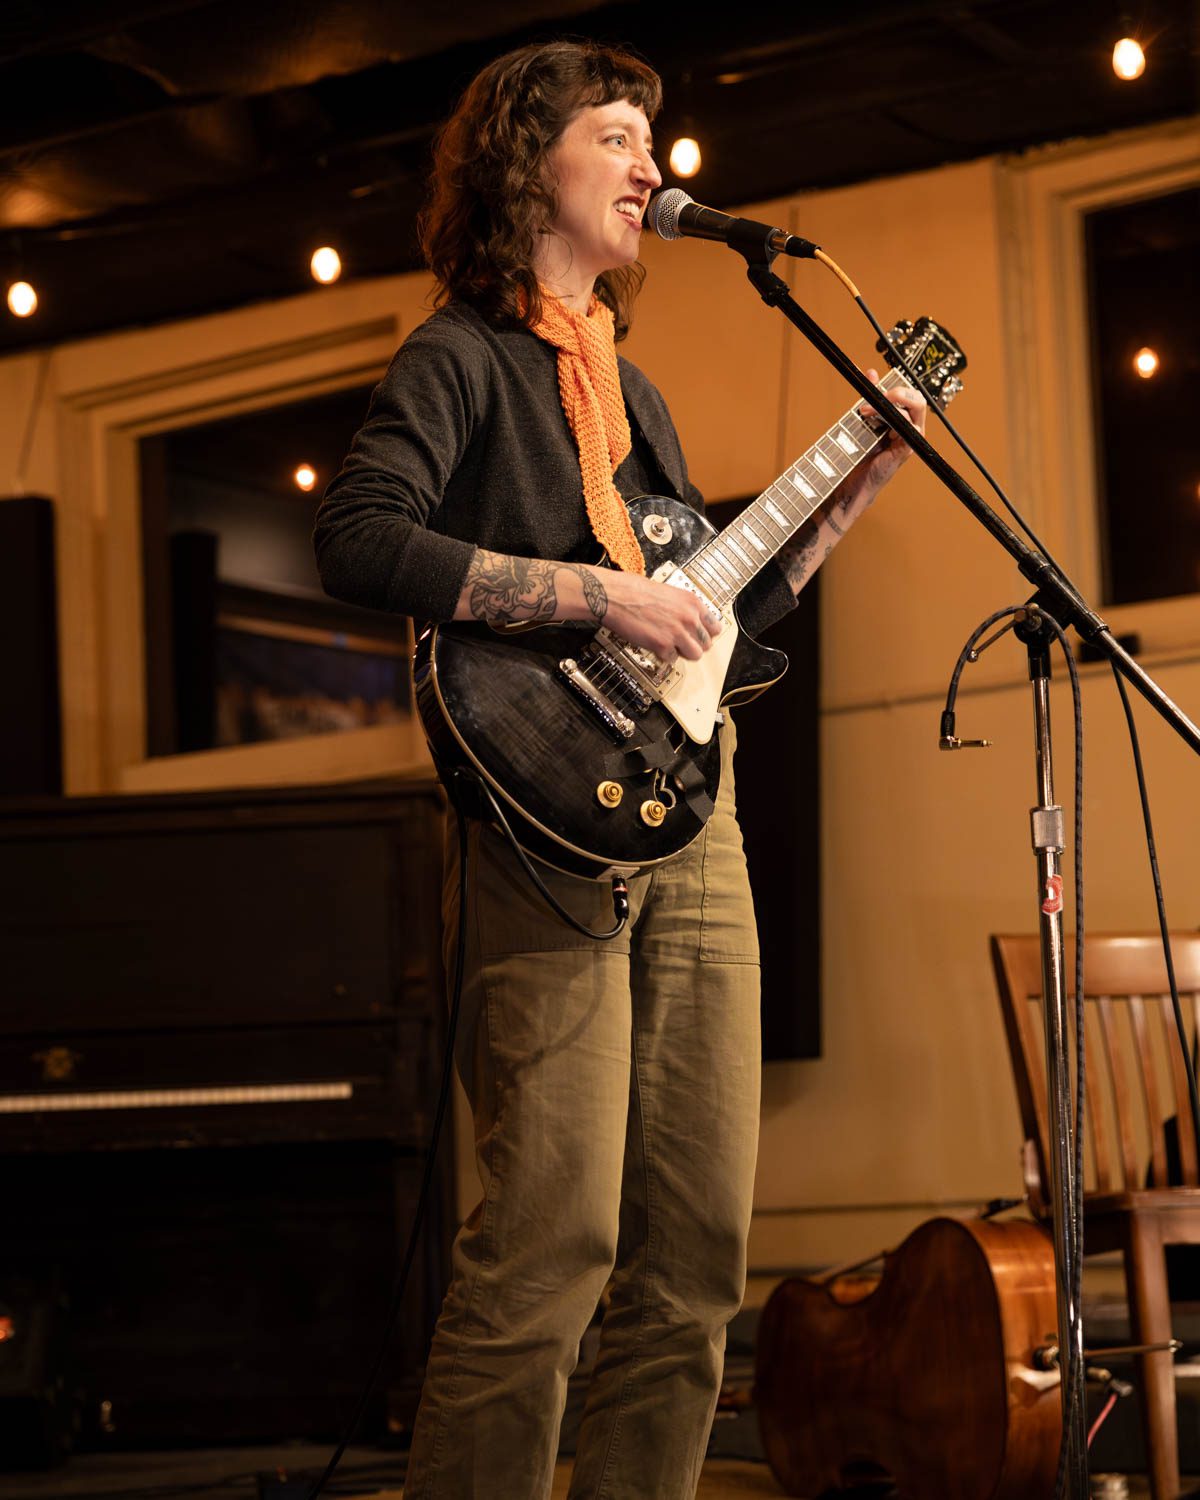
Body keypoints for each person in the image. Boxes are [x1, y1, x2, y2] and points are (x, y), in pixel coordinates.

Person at [313, 39, 925, 1500]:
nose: (652, 164)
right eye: (616, 135)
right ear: (530, 163)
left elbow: (715, 618)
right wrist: (594, 597)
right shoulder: (457, 355)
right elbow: (359, 539)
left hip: (689, 816)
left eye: (653, 138)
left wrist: (846, 499)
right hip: (537, 840)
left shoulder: (634, 392)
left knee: (697, 1253)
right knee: (546, 1248)